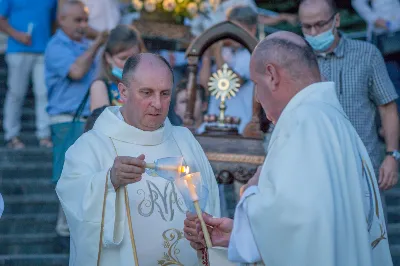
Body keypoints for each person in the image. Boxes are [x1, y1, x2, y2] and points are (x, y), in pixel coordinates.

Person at [184, 31, 393, 266]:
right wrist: (239, 235)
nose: (258, 99)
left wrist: (250, 192)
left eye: (256, 84)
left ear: (272, 75)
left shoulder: (302, 123)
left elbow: (296, 218)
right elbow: (318, 225)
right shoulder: (333, 120)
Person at [56, 53, 221, 265]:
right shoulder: (91, 146)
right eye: (147, 93)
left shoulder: (185, 140)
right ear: (123, 91)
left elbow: (211, 203)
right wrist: (109, 181)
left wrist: (205, 233)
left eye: (165, 94)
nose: (158, 104)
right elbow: (72, 197)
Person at [298, 1, 399, 212]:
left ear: (336, 20)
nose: (314, 32)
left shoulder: (367, 55)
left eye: (320, 24)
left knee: (370, 241)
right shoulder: (297, 60)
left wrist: (391, 155)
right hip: (312, 175)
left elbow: (387, 107)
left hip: (363, 173)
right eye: (307, 27)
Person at [45, 0, 107, 240]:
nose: (83, 26)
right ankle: (64, 229)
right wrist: (96, 44)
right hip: (65, 120)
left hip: (85, 118)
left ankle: (77, 225)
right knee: (67, 173)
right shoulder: (55, 46)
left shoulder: (82, 43)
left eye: (85, 20)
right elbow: (77, 72)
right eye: (77, 20)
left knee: (86, 172)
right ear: (61, 21)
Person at [0, 0, 57, 149]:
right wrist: (17, 35)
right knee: (16, 93)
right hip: (18, 50)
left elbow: (54, 21)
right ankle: (11, 135)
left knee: (43, 93)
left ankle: (44, 134)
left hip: (43, 52)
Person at [199, 6, 257, 134]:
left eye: (237, 31)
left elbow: (230, 82)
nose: (231, 36)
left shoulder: (251, 55)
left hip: (240, 125)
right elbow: (205, 87)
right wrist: (208, 54)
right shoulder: (225, 52)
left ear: (252, 30)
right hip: (212, 122)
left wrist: (217, 50)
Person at [90, 24, 146, 111]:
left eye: (134, 57)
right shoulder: (100, 86)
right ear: (108, 58)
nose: (130, 63)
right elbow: (102, 122)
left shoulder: (147, 84)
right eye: (123, 58)